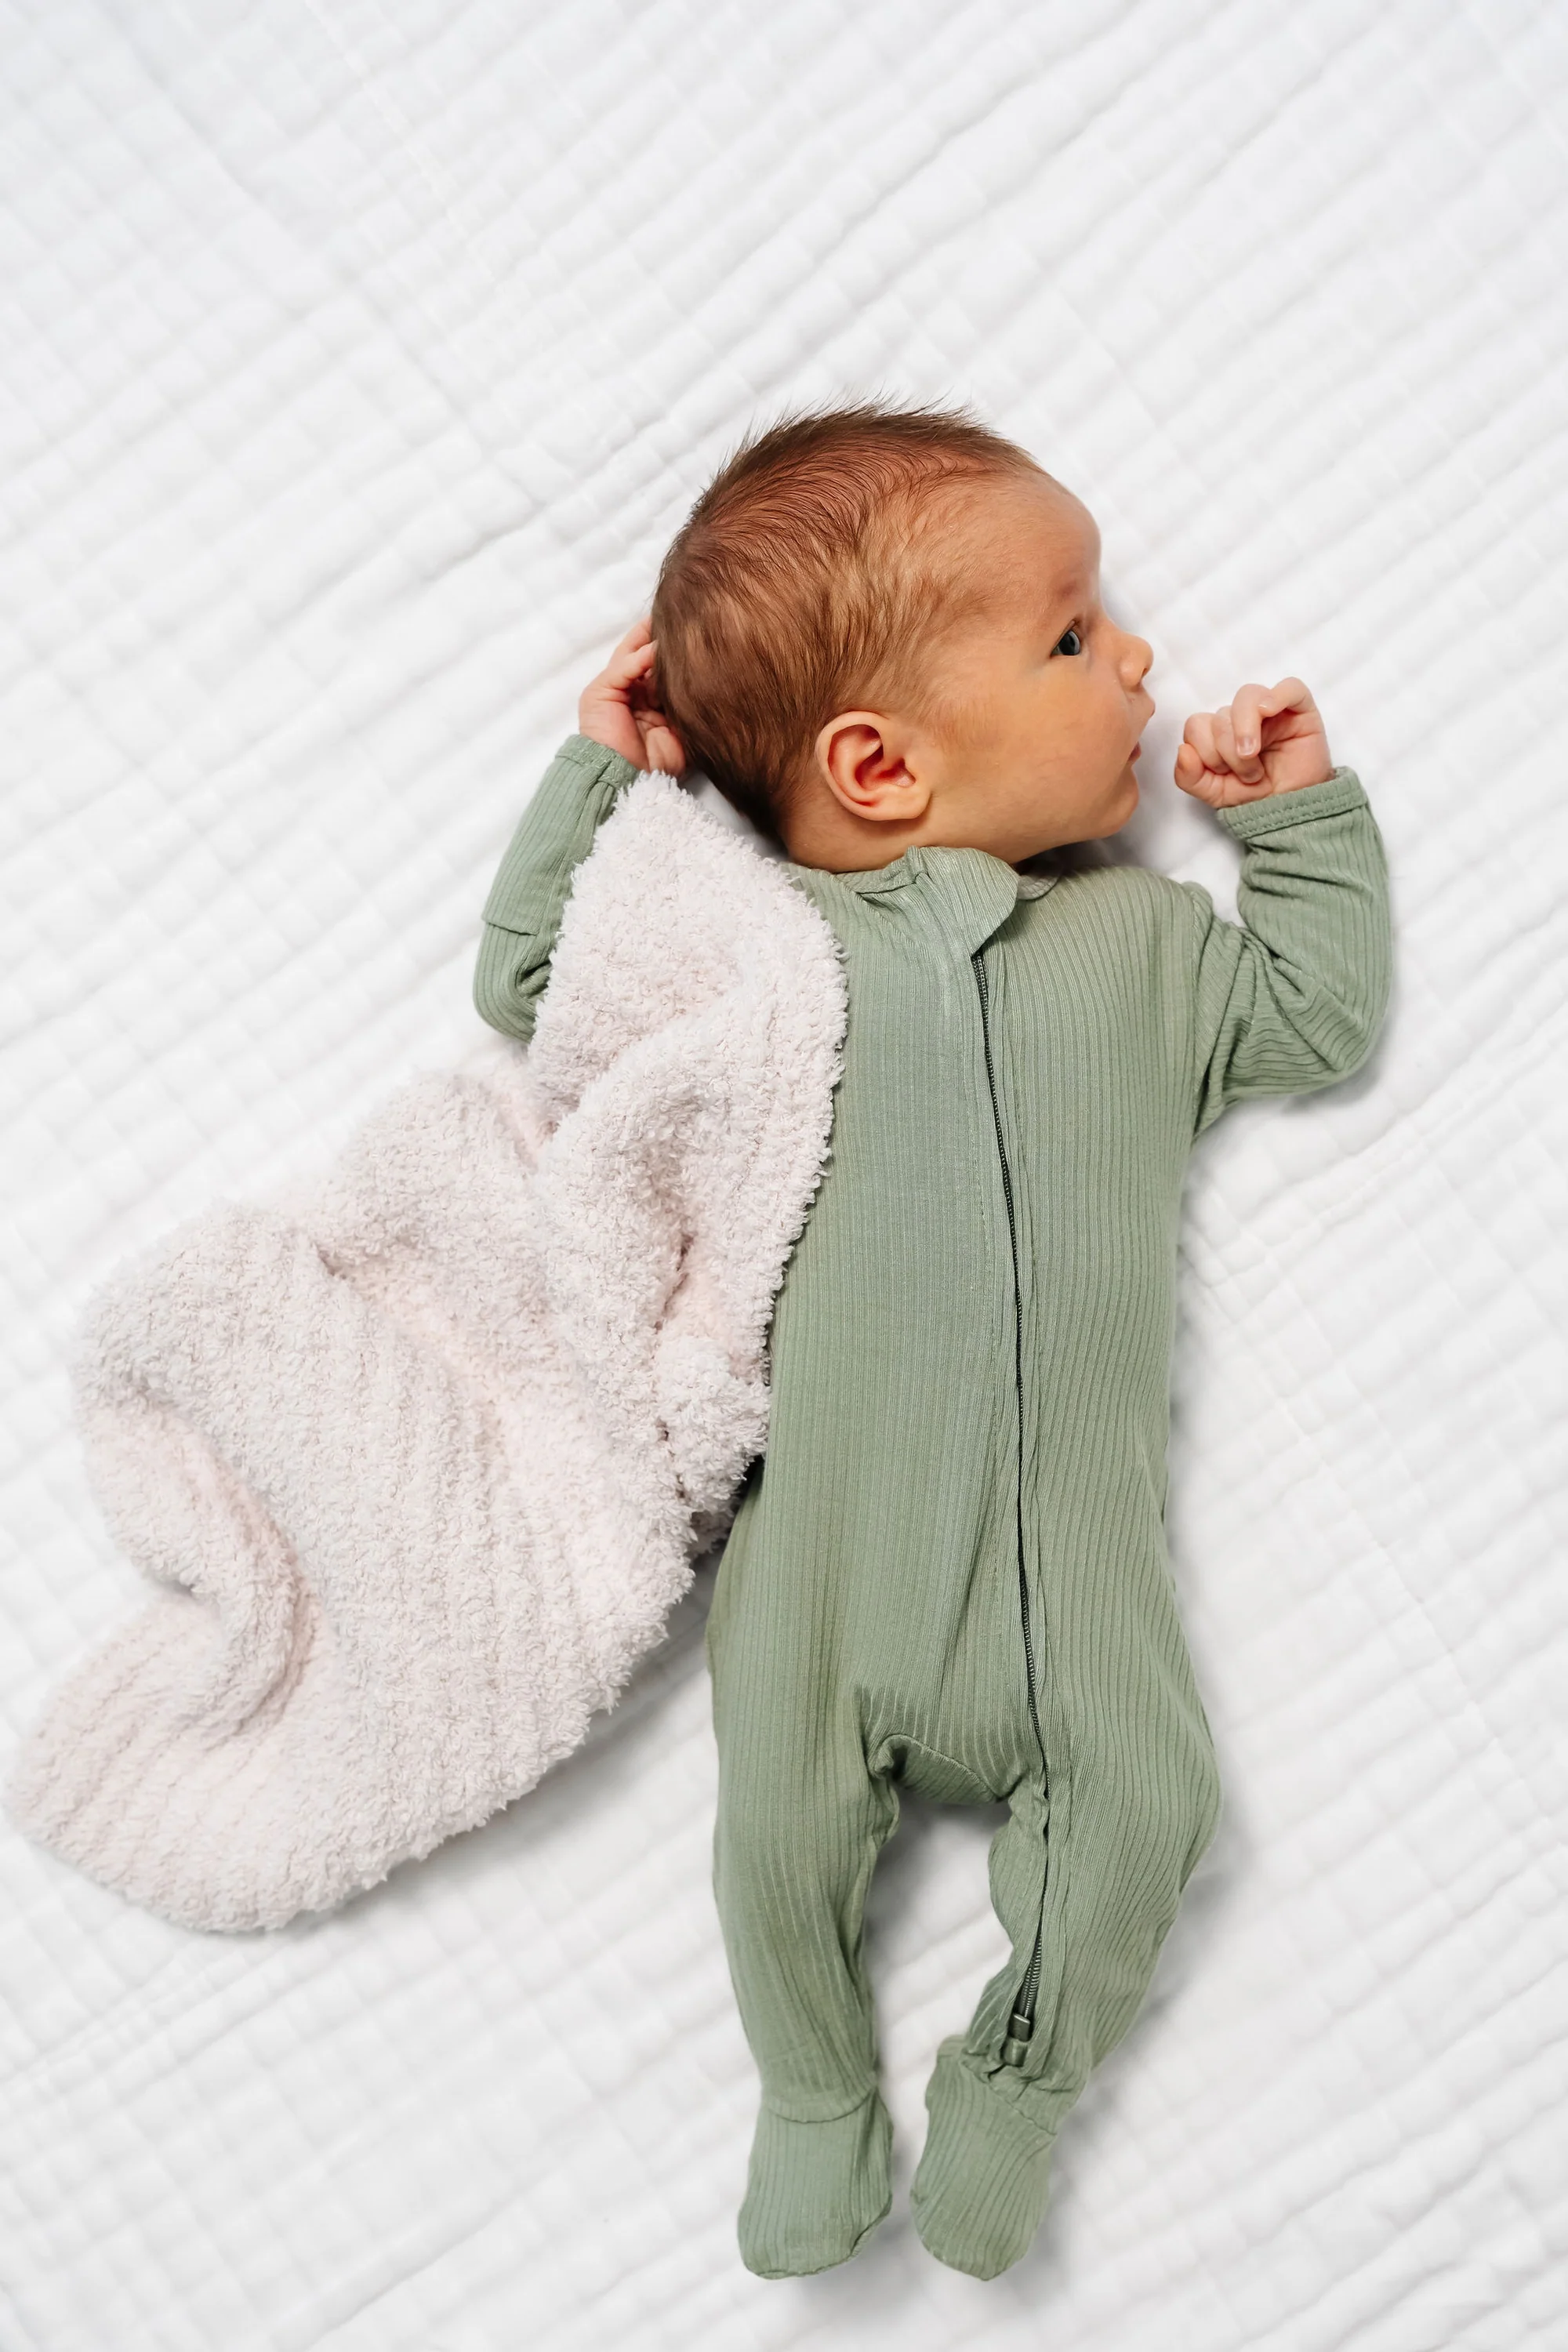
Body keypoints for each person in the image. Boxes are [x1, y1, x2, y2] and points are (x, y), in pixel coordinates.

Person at [473, 403, 1392, 2281]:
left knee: (1151, 1806)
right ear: (878, 765)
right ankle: (814, 2097)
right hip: (825, 1553)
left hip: (1076, 1576)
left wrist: (1293, 821)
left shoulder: (1138, 948)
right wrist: (600, 780)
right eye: (1070, 636)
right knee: (773, 1836)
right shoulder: (758, 951)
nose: (1134, 656)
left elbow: (1315, 1015)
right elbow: (540, 982)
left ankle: (1015, 2089)